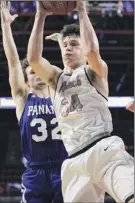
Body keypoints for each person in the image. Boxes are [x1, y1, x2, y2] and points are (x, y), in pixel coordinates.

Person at [27, 0, 134, 202]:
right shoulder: (55, 79)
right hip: (74, 160)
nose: (67, 48)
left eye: (74, 44)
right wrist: (40, 16)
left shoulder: (93, 71)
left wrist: (82, 9)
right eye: (65, 45)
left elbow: (92, 51)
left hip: (103, 149)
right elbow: (33, 59)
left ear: (83, 47)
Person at [1, 2, 67, 203]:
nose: (37, 73)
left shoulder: (62, 92)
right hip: (36, 171)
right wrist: (5, 26)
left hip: (66, 167)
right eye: (31, 72)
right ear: (26, 81)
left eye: (39, 69)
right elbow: (13, 62)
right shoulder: (23, 97)